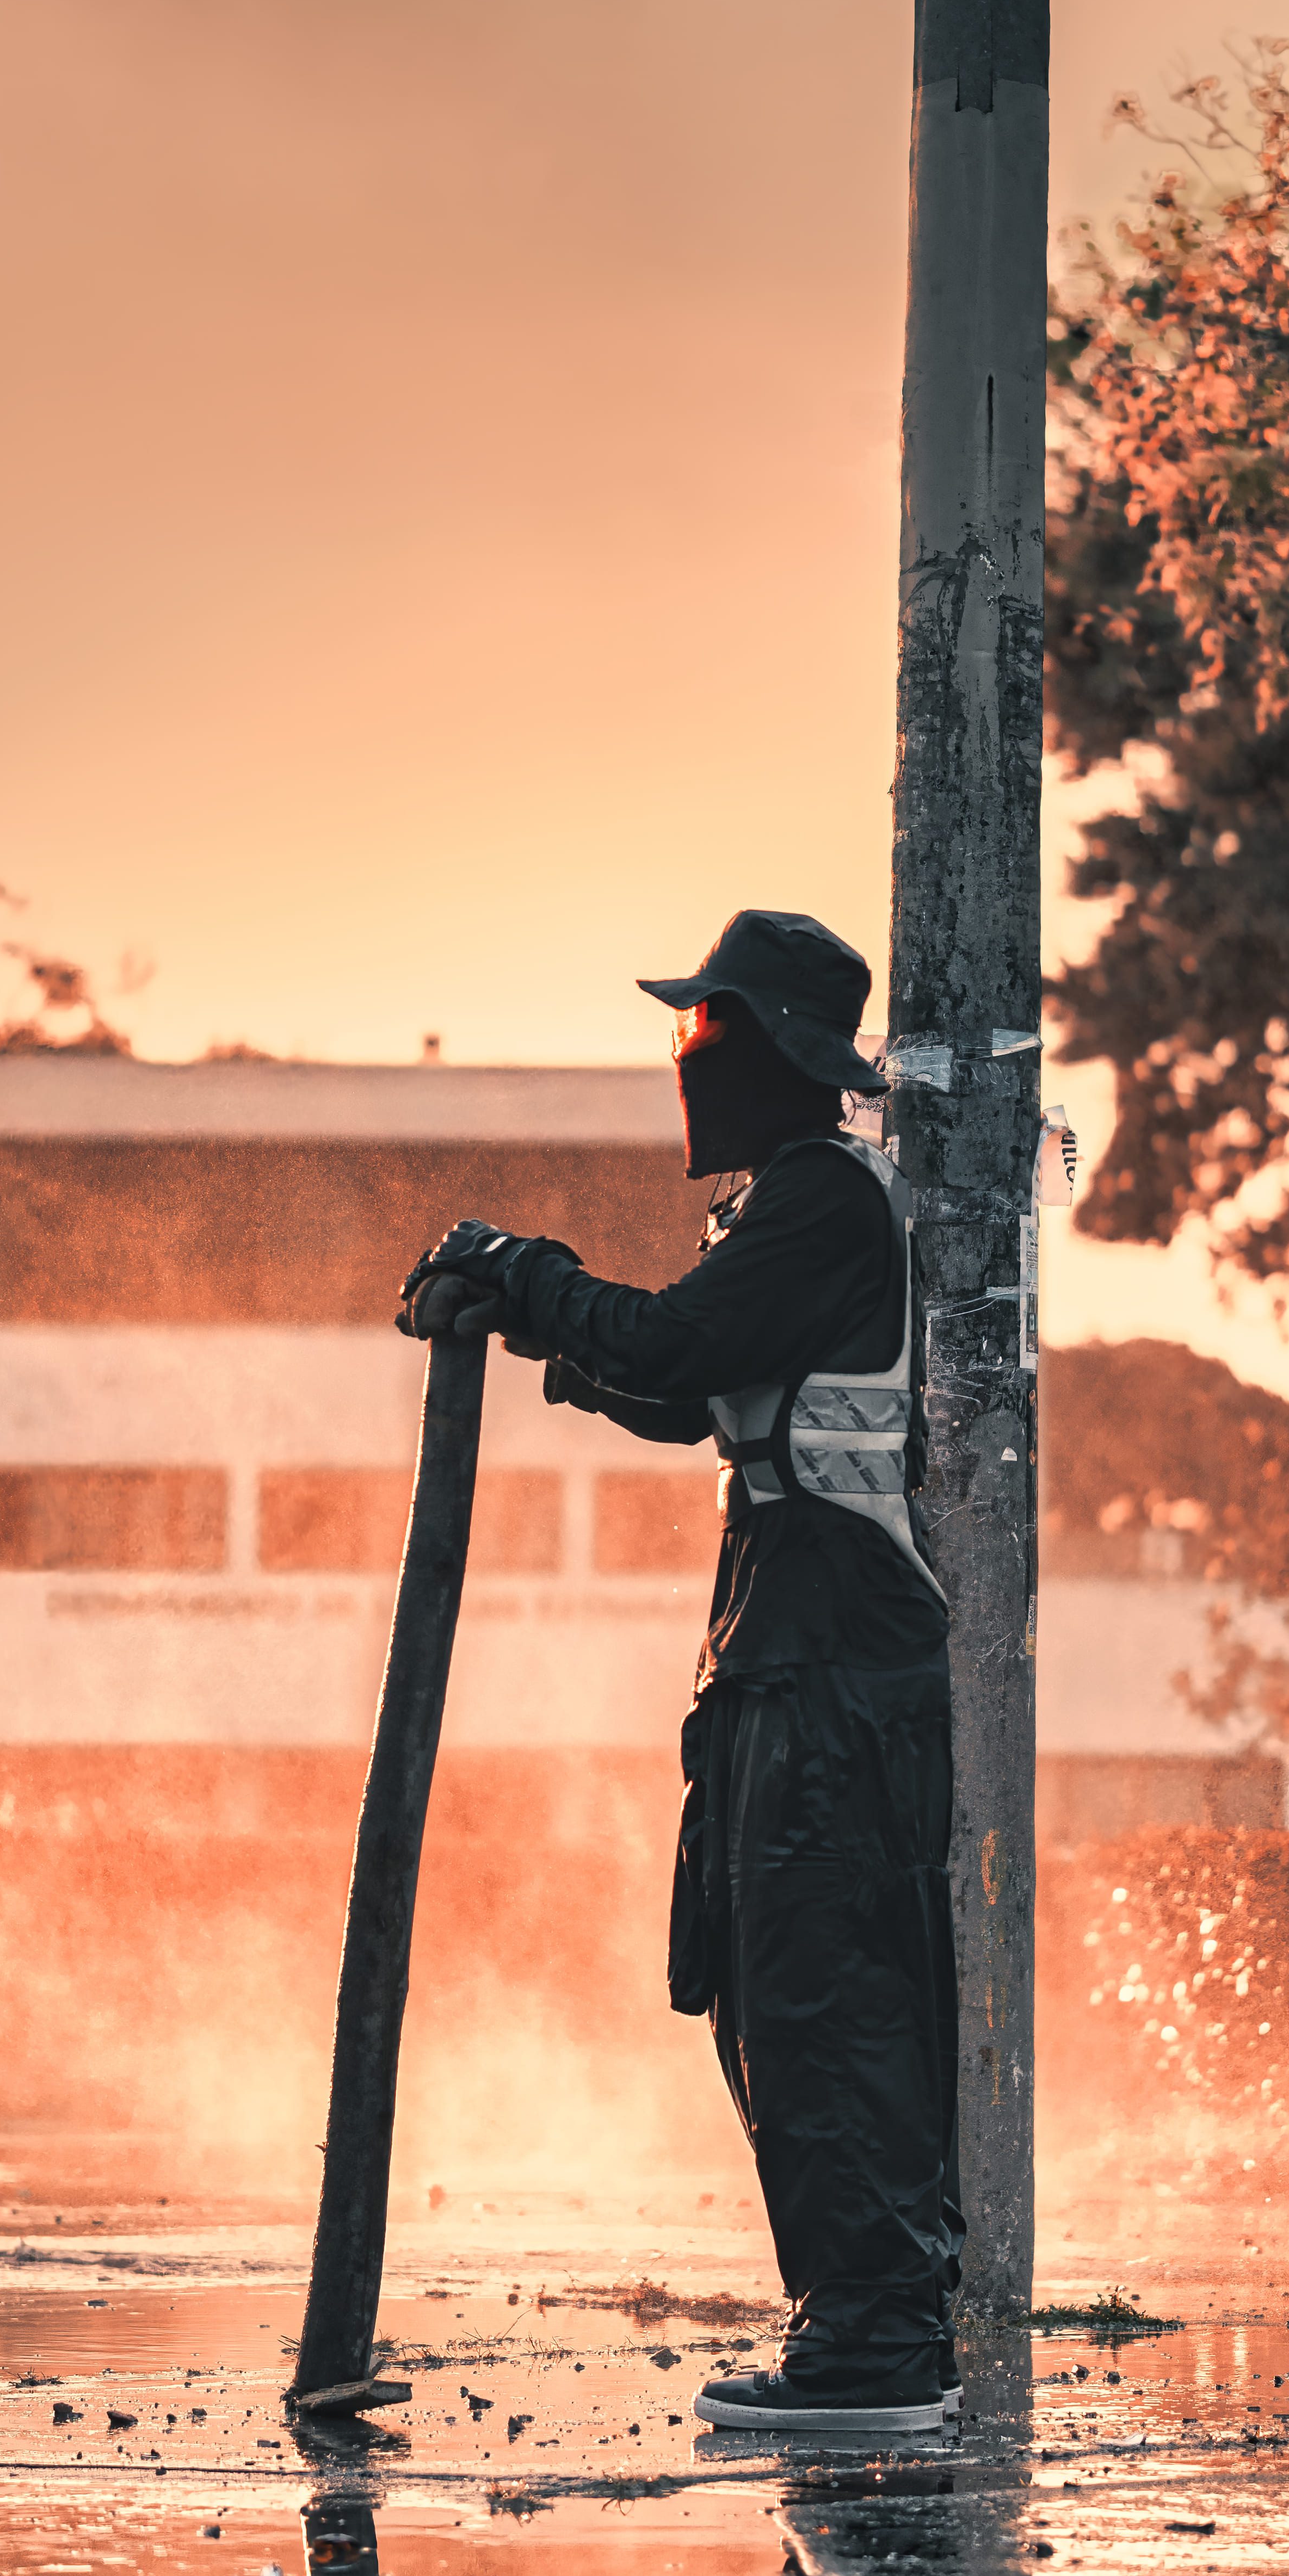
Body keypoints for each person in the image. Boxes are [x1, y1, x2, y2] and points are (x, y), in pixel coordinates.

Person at [403, 909, 962, 2432]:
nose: (685, 1056)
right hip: (790, 1642)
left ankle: (877, 2352)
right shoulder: (790, 1206)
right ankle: (856, 2331)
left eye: (705, 1031)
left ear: (777, 1050)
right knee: (760, 1989)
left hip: (835, 1655)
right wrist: (551, 1344)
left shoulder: (822, 1202)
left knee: (821, 1994)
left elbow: (673, 1344)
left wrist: (525, 1274)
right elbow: (684, 1382)